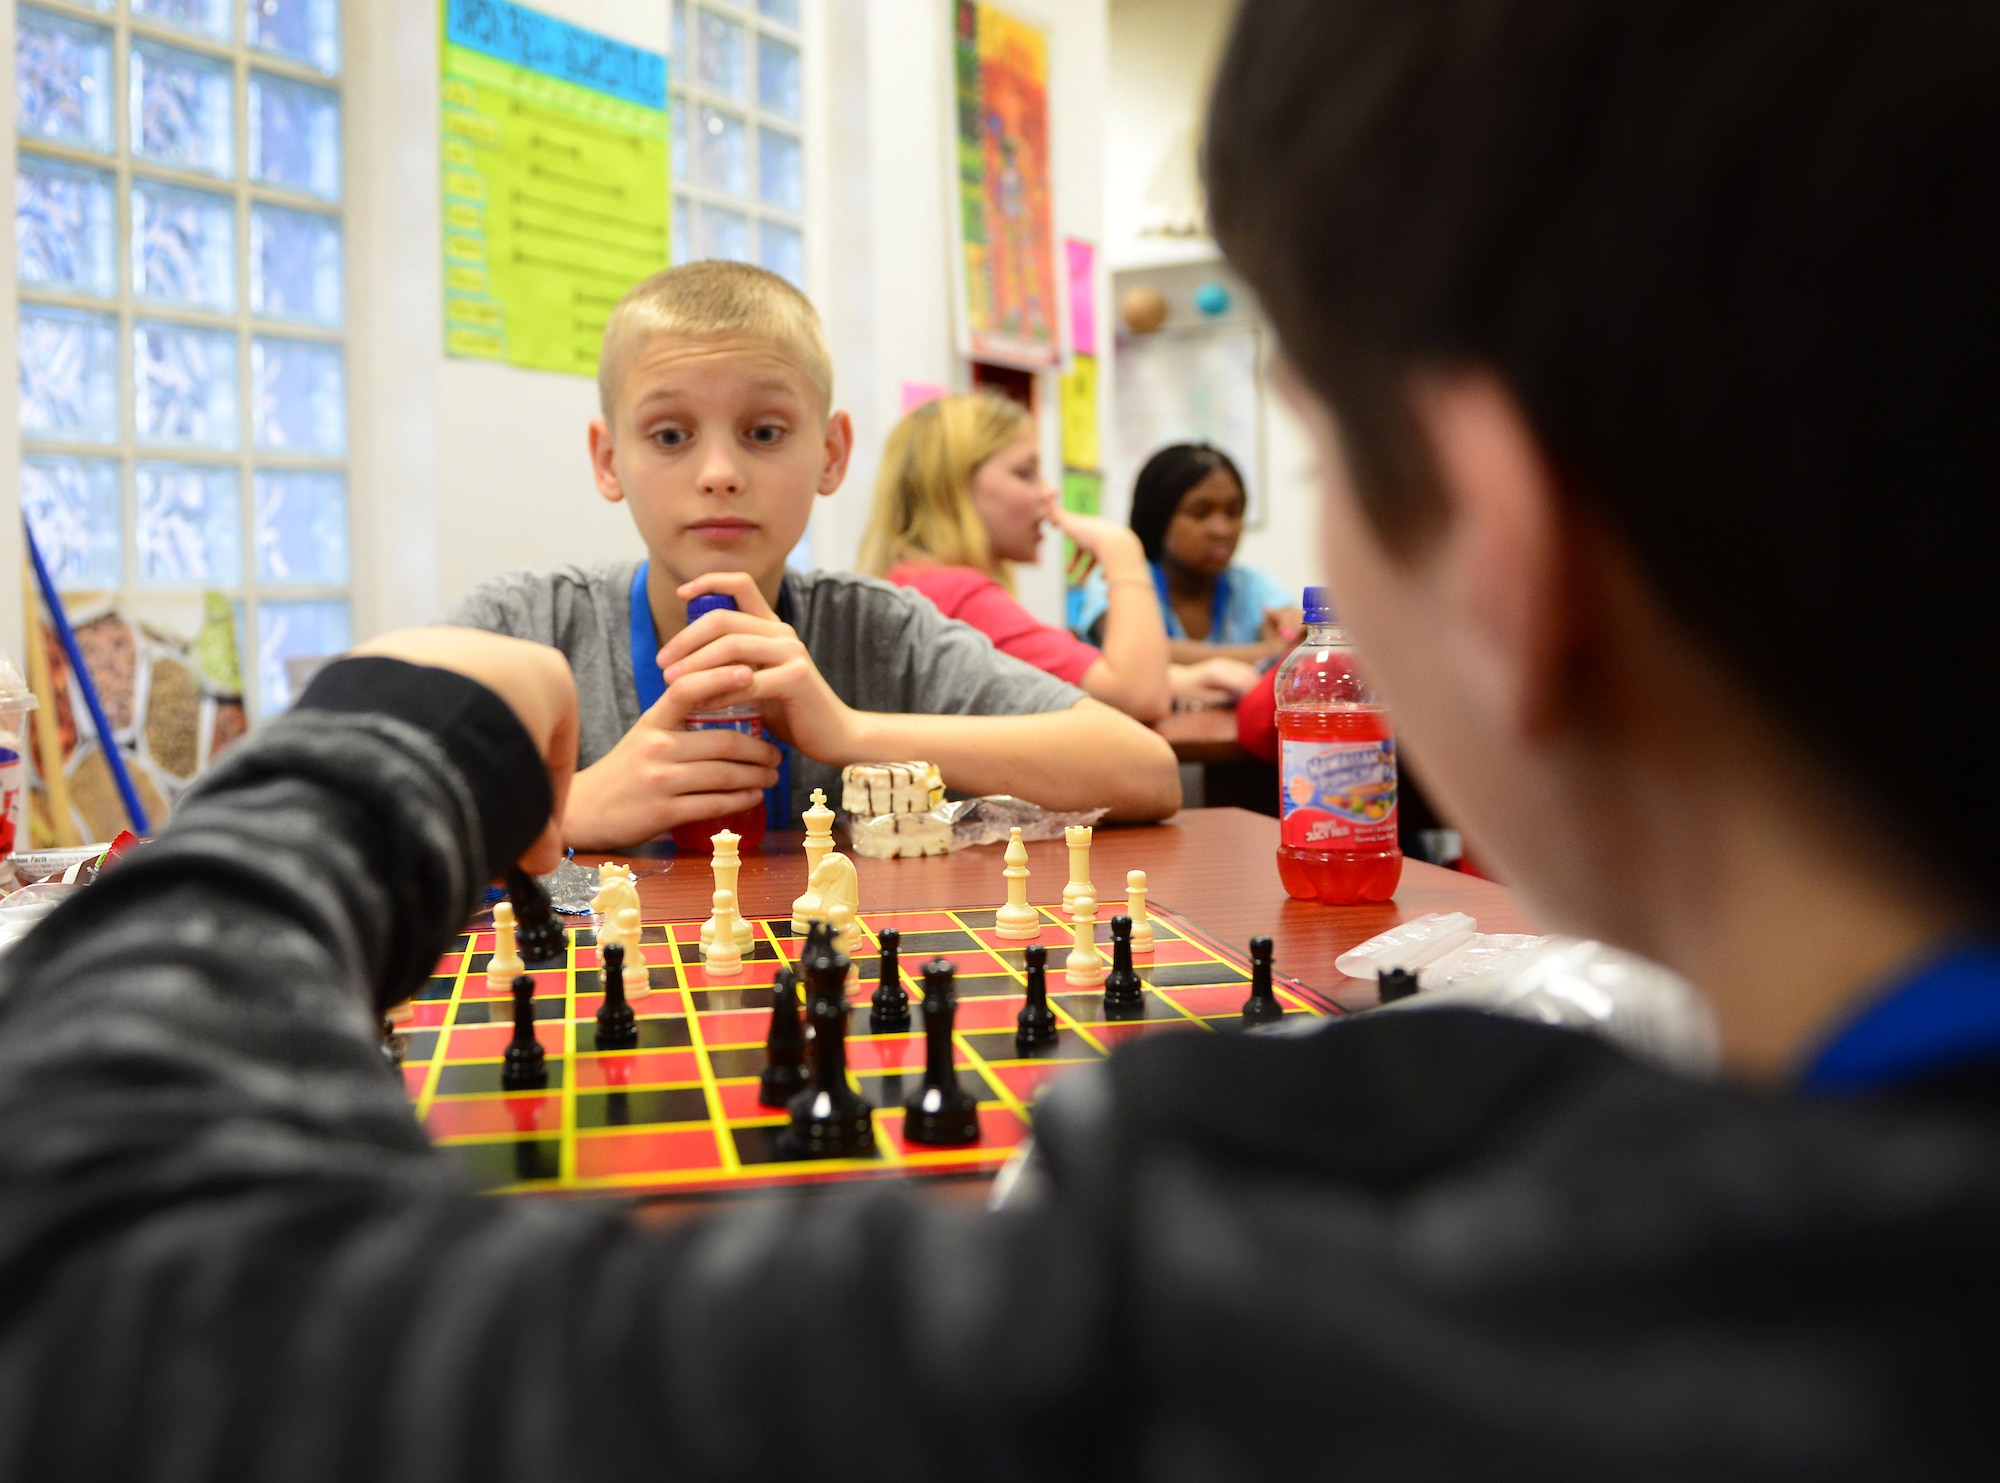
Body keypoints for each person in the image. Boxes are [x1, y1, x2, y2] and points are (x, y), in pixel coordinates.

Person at [5, 1, 2000, 1476]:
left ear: (1492, 554)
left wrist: (397, 754)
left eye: (1312, 456)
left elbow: (77, 1267)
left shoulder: (1258, 1333)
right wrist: (581, 804)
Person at [447, 264, 1179, 848]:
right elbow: (353, 809)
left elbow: (1146, 771)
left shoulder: (879, 631)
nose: (719, 472)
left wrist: (850, 730)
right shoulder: (524, 625)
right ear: (609, 460)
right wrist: (564, 813)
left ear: (830, 454)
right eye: (670, 436)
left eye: (764, 432)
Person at [857, 393, 1258, 721]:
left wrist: (1177, 680)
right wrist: (1122, 550)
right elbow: (1139, 698)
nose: (1047, 493)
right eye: (1025, 473)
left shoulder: (918, 581)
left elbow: (1055, 678)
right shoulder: (957, 594)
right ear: (955, 488)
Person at [1074, 443, 1300, 666]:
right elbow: (1137, 653)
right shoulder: (1118, 578)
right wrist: (1267, 652)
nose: (1222, 530)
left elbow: (1291, 632)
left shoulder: (1250, 585)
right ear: (1158, 519)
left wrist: (1295, 628)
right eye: (1200, 513)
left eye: (1233, 512)